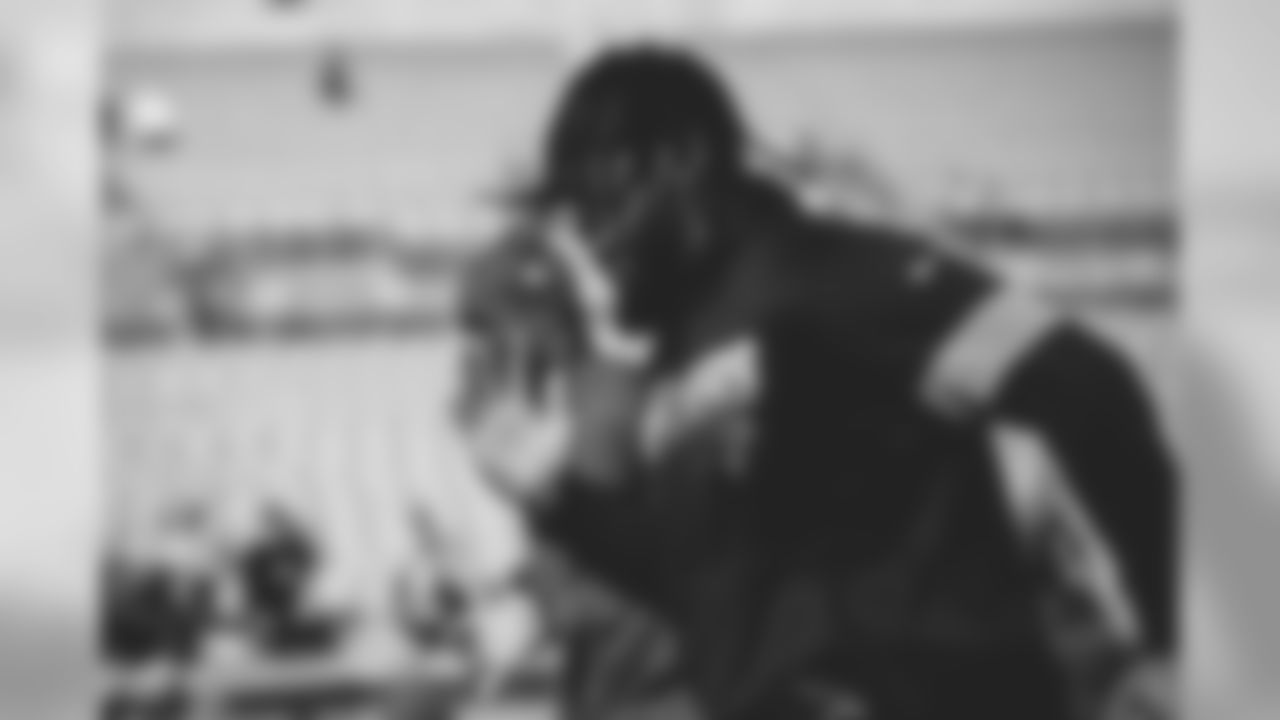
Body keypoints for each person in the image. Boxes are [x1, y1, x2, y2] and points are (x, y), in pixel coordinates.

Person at [460, 43, 1179, 720]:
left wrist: (1169, 634)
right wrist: (559, 502)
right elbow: (710, 602)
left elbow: (1086, 383)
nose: (593, 241)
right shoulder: (679, 369)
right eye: (575, 218)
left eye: (604, 204)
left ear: (683, 158)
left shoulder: (828, 280)